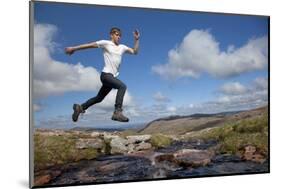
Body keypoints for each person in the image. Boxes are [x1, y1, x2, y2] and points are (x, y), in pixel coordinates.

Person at [65, 27, 140, 122]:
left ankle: (80, 108)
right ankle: (117, 112)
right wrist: (74, 48)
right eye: (117, 34)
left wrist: (136, 40)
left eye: (120, 35)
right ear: (111, 35)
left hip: (111, 77)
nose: (119, 37)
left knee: (99, 98)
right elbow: (89, 45)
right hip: (106, 75)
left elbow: (135, 52)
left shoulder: (122, 47)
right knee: (122, 87)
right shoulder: (106, 43)